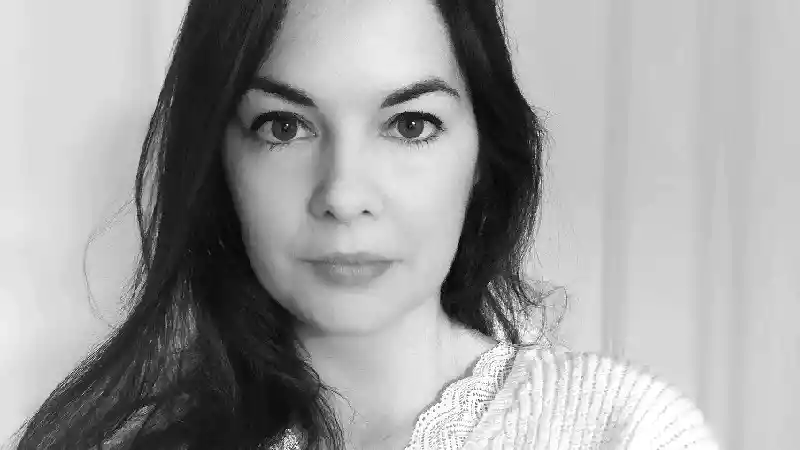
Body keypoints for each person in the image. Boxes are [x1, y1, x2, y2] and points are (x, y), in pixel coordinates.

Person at [12, 0, 720, 449]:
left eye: (410, 125)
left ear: (483, 156)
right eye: (283, 126)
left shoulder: (623, 431)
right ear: (218, 161)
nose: (344, 195)